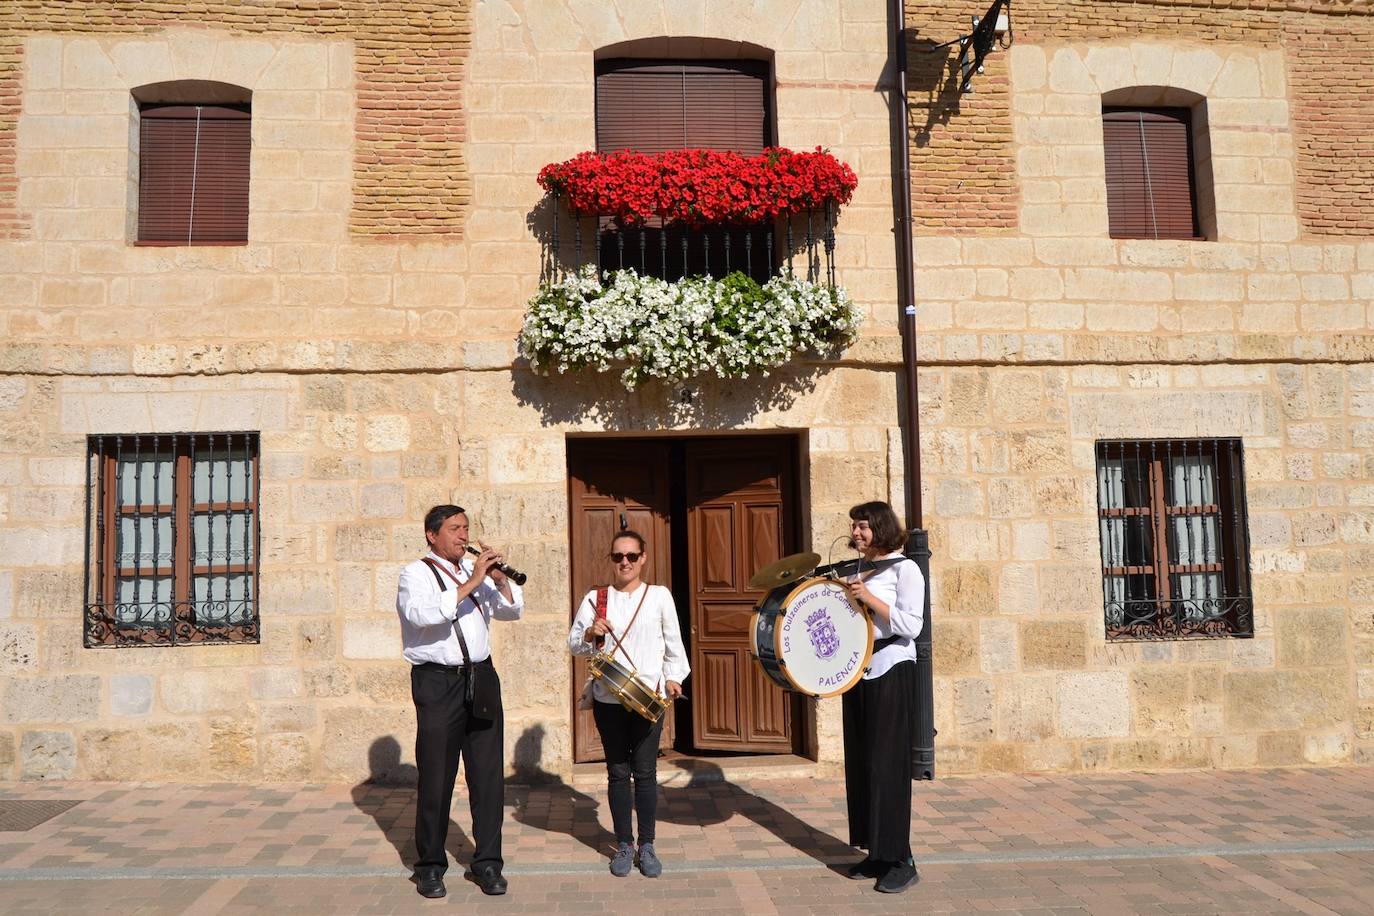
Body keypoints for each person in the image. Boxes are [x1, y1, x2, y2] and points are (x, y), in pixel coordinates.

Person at [396, 504, 523, 898]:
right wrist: (472, 582)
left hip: (481, 678)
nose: (463, 536)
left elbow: (511, 611)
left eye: (466, 528)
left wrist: (499, 579)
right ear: (432, 535)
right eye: (454, 529)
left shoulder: (476, 573)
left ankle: (488, 863)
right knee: (437, 775)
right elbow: (421, 616)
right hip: (438, 683)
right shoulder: (414, 574)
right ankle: (430, 865)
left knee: (487, 776)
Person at [568, 530, 689, 878]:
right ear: (611, 559)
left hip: (649, 697)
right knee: (618, 772)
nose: (624, 562)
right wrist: (590, 633)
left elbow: (673, 644)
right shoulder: (596, 598)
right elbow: (575, 645)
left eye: (631, 557)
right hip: (609, 698)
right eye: (618, 557)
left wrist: (673, 678)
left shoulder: (659, 596)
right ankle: (624, 843)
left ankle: (647, 844)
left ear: (643, 558)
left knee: (646, 773)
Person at [840, 500, 923, 894]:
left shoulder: (906, 569)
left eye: (863, 527)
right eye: (854, 527)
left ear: (881, 528)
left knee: (888, 767)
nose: (856, 533)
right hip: (859, 671)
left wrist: (868, 598)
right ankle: (877, 851)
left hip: (891, 667)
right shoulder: (858, 568)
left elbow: (911, 624)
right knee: (863, 765)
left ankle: (901, 860)